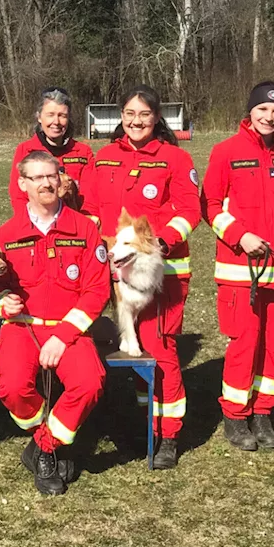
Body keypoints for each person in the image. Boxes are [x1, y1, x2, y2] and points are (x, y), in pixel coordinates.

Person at [79, 85, 200, 469]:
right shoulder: (105, 158)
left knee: (160, 351)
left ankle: (169, 434)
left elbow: (189, 209)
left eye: (144, 115)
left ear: (157, 117)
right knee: (126, 347)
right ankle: (141, 421)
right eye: (129, 114)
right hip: (115, 273)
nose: (136, 121)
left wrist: (161, 242)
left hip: (159, 277)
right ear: (121, 116)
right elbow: (92, 209)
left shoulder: (175, 159)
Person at [202, 81, 274, 452]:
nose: (269, 117)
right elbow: (210, 206)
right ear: (249, 112)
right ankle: (235, 416)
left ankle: (264, 412)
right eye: (262, 110)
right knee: (244, 345)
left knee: (273, 347)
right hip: (241, 274)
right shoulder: (226, 152)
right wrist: (240, 235)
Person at [0, 150, 110, 495]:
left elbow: (97, 290)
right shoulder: (9, 232)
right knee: (12, 387)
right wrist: (2, 302)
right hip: (23, 327)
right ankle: (44, 434)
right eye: (38, 177)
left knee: (90, 383)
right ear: (22, 184)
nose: (46, 182)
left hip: (69, 330)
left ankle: (44, 448)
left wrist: (63, 336)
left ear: (60, 180)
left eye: (52, 175)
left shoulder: (83, 228)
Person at [6, 87, 95, 215]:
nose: (56, 122)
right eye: (50, 115)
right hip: (38, 227)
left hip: (76, 227)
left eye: (62, 116)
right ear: (39, 117)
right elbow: (18, 197)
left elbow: (90, 198)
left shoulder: (83, 152)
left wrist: (84, 224)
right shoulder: (25, 150)